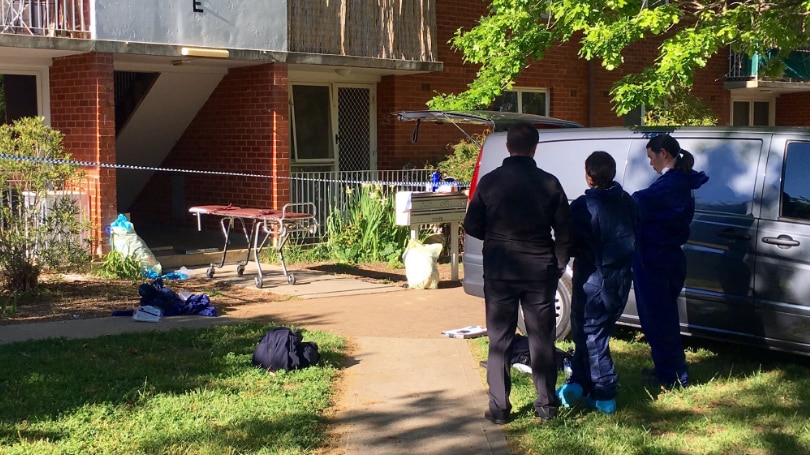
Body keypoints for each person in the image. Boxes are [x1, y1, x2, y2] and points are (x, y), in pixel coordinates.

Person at [463, 121, 573, 424]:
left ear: (509, 146)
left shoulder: (489, 182)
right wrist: (558, 262)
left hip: (500, 271)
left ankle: (499, 408)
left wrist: (498, 238)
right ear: (534, 148)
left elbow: (472, 225)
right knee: (541, 337)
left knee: (499, 339)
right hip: (539, 270)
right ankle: (547, 405)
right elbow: (565, 229)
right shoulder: (549, 182)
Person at [555, 151, 640, 414]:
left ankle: (605, 395)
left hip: (594, 278)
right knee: (587, 332)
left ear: (589, 175)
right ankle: (580, 382)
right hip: (620, 279)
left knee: (592, 336)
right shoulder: (628, 201)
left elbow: (567, 240)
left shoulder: (583, 206)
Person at [632, 134, 708, 388]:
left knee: (659, 318)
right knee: (660, 317)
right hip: (665, 256)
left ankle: (673, 375)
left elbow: (639, 202)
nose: (650, 163)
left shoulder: (671, 184)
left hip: (656, 257)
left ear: (663, 153)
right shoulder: (679, 182)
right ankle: (667, 369)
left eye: (651, 157)